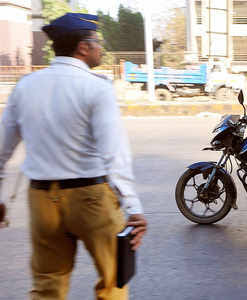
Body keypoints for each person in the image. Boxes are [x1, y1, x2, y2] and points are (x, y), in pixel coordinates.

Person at [0, 13, 147, 300]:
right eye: (97, 42)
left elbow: (2, 151)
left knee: (47, 286)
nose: (100, 48)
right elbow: (114, 154)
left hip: (42, 199)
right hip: (91, 198)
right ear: (83, 47)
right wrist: (133, 207)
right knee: (112, 283)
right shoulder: (97, 88)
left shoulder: (24, 86)